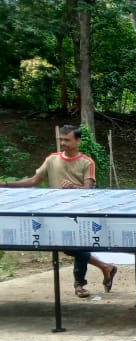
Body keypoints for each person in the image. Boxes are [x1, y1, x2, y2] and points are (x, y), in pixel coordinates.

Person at [1, 125, 118, 298]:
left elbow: (89, 189)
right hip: (55, 212)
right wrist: (8, 185)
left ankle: (80, 285)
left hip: (80, 213)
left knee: (75, 246)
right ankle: (105, 267)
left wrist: (74, 188)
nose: (63, 143)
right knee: (67, 247)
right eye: (61, 140)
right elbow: (35, 180)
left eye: (67, 140)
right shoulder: (51, 159)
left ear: (77, 141)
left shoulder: (87, 162)